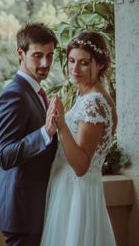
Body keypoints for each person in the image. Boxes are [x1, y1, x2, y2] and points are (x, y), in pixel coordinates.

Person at [40, 31, 117, 245]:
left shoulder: (93, 102)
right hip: (74, 190)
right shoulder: (93, 96)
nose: (75, 69)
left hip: (76, 195)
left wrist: (62, 124)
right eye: (72, 61)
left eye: (84, 63)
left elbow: (82, 165)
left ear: (100, 64)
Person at [0, 22, 58, 246]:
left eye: (49, 56)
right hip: (23, 212)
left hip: (36, 209)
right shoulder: (13, 95)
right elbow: (5, 155)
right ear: (20, 53)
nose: (45, 63)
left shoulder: (36, 91)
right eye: (37, 55)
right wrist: (45, 132)